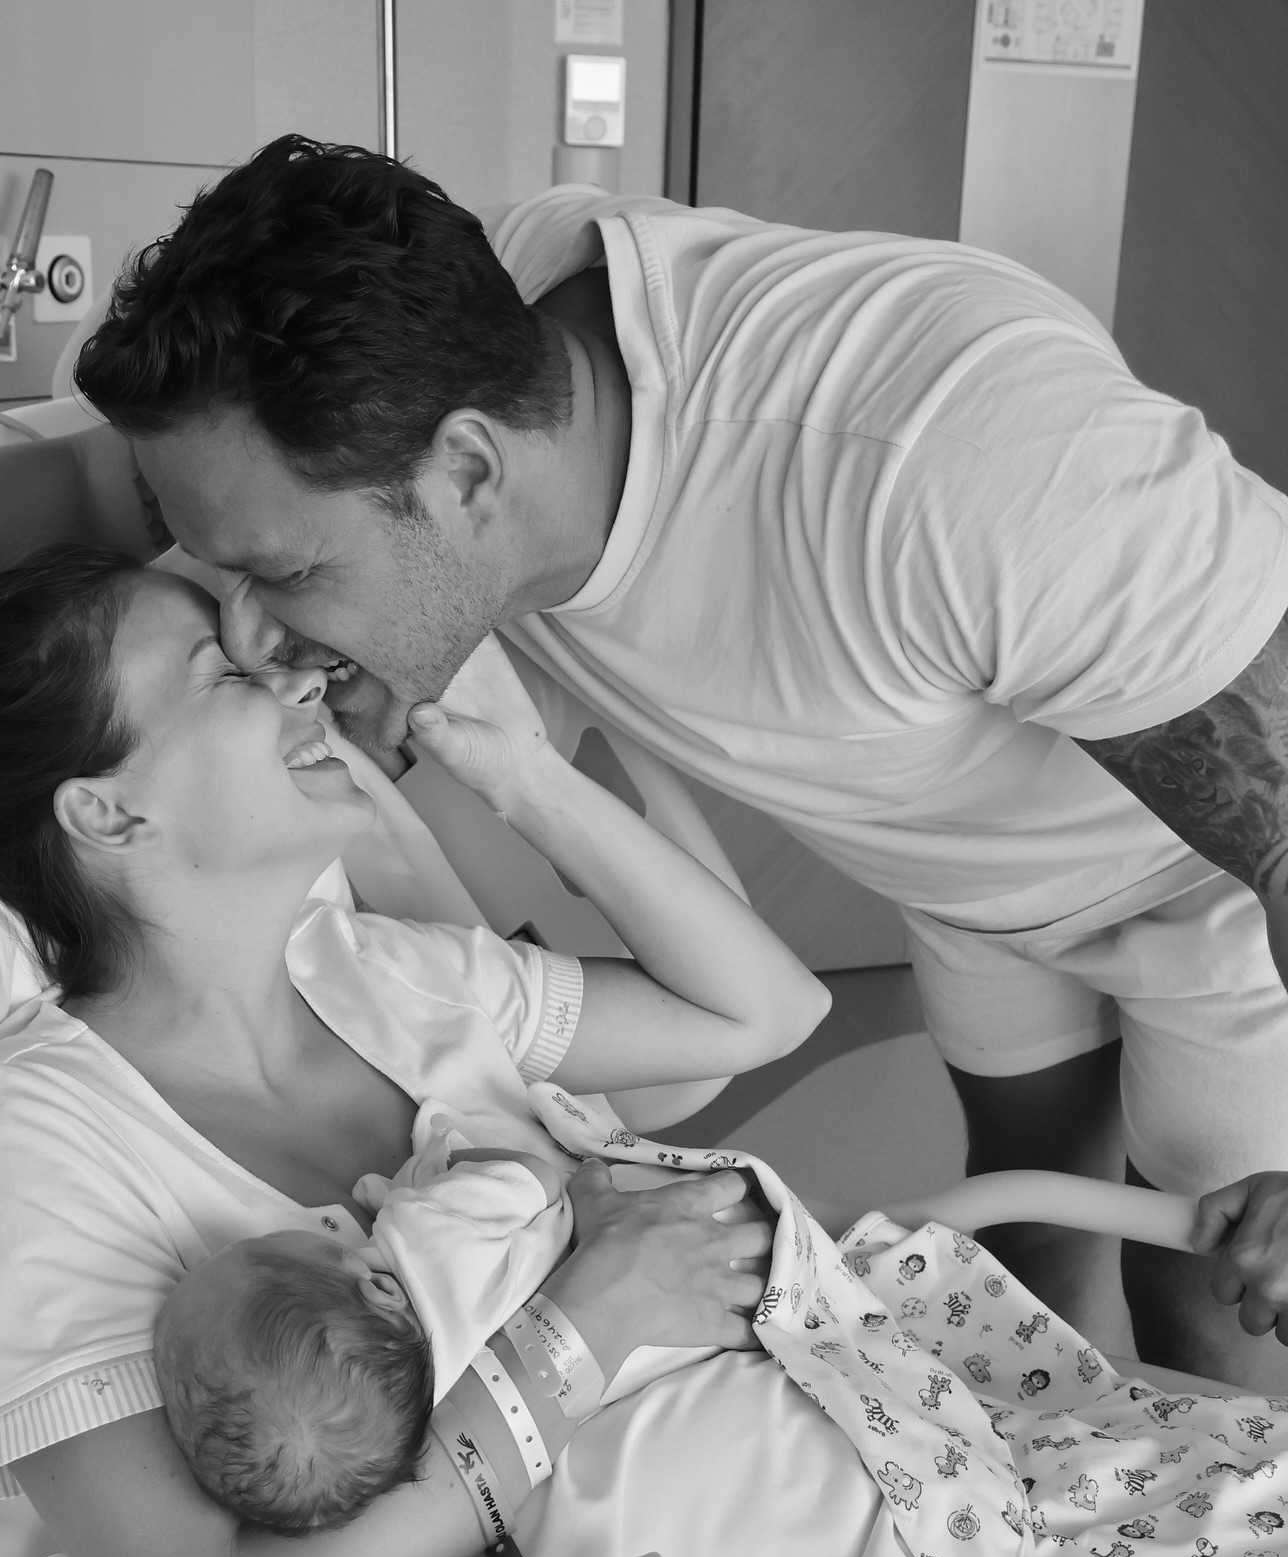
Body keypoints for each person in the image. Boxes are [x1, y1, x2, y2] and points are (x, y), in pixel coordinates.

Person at [73, 135, 1288, 1388]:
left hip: (1203, 880)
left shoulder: (954, 462)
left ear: (471, 471)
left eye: (282, 574)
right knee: (1034, 1264)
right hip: (967, 876)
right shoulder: (460, 329)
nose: (249, 633)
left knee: (1210, 1290)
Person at [0, 544, 815, 1557]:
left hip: (803, 1490)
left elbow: (762, 1011)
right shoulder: (33, 1136)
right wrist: (584, 1328)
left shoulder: (382, 974)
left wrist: (521, 776)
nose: (302, 682)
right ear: (107, 810)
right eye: (225, 676)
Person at [154, 1144, 568, 1534]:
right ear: (380, 1291)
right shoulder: (427, 1232)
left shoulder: (437, 1392)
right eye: (259, 1244)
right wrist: (440, 1164)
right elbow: (537, 1177)